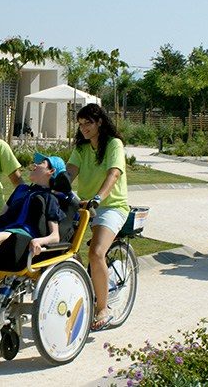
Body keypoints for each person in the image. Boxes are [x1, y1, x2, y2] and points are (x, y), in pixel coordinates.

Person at [0, 154, 67, 316]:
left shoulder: (50, 198)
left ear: (51, 171)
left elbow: (55, 236)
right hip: (4, 230)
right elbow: (1, 214)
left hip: (23, 234)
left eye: (41, 163)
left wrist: (38, 241)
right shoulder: (21, 190)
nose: (34, 164)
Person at [65, 103, 128, 330]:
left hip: (111, 206)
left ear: (100, 122)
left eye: (88, 123)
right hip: (85, 206)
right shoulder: (81, 148)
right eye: (80, 124)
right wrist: (54, 188)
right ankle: (88, 286)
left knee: (96, 252)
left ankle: (103, 308)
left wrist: (99, 197)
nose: (84, 128)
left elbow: (114, 173)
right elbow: (69, 172)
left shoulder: (113, 144)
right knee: (64, 249)